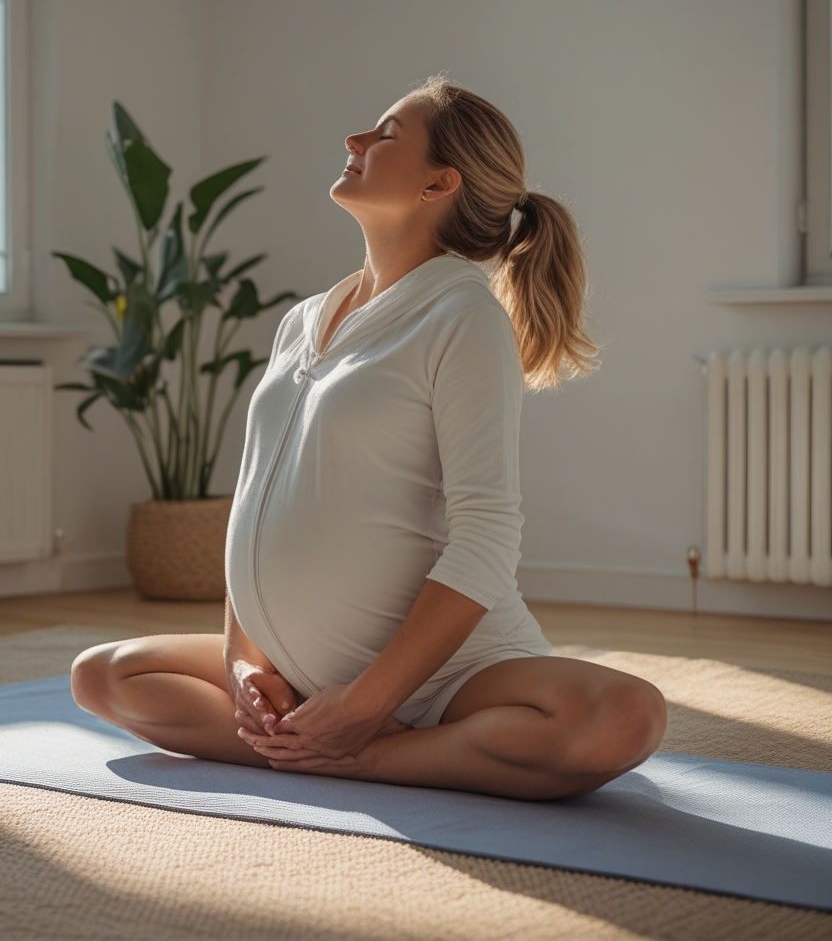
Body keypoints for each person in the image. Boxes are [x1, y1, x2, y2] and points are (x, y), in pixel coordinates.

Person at [71, 76, 667, 800]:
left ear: (439, 182)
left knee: (624, 717)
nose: (355, 142)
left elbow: (487, 535)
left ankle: (372, 754)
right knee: (103, 676)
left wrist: (369, 703)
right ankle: (324, 739)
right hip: (297, 671)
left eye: (384, 135)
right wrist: (243, 660)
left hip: (447, 679)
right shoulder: (303, 319)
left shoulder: (461, 315)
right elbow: (256, 502)